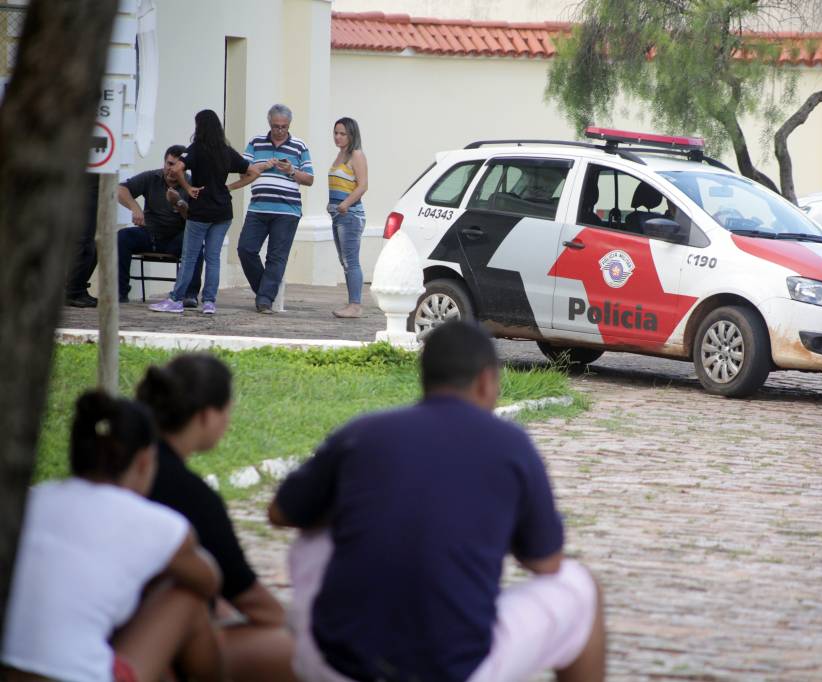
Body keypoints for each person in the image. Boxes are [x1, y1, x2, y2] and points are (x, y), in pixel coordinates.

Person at [269, 321, 606, 682]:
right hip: (453, 667)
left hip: (337, 662)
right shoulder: (511, 445)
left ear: (425, 378)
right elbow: (547, 562)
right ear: (486, 381)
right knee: (580, 587)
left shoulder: (363, 431)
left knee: (315, 537)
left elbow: (281, 512)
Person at [1, 391, 224, 682]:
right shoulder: (157, 524)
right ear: (144, 461)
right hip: (78, 676)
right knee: (185, 598)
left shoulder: (30, 500)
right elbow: (208, 581)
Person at [136, 354, 298, 682]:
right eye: (227, 410)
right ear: (207, 415)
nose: (228, 420)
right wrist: (299, 627)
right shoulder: (189, 494)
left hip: (132, 627)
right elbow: (250, 598)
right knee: (306, 652)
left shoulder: (129, 466)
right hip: (148, 644)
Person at [149, 109, 254, 315]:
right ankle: (209, 302)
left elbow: (176, 169)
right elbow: (253, 172)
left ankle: (176, 299)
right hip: (223, 212)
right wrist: (230, 187)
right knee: (213, 257)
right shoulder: (227, 151)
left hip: (200, 211)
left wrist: (188, 188)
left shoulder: (195, 149)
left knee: (189, 256)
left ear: (199, 127)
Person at [232, 103, 314, 314]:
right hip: (258, 208)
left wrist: (291, 170)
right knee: (245, 249)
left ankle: (264, 300)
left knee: (276, 257)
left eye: (283, 127)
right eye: (276, 126)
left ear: (289, 125)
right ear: (269, 123)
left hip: (287, 211)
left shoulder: (300, 146)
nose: (279, 130)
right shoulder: (256, 142)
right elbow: (243, 173)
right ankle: (265, 291)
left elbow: (309, 179)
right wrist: (262, 166)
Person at [117, 144, 203, 305]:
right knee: (122, 237)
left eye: (177, 166)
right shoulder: (152, 177)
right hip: (149, 234)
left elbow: (196, 219)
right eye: (169, 164)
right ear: (164, 162)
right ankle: (119, 292)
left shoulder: (191, 184)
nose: (172, 170)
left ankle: (189, 294)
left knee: (196, 243)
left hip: (176, 237)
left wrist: (179, 204)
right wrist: (135, 208)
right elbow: (120, 189)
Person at [327, 117, 367, 319]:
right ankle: (352, 302)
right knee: (345, 261)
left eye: (343, 133)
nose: (338, 137)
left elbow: (363, 185)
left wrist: (345, 204)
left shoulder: (356, 154)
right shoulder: (340, 155)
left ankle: (355, 305)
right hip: (338, 215)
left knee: (350, 261)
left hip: (350, 215)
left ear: (352, 135)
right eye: (336, 133)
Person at [65, 174, 99, 307]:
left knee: (91, 246)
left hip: (93, 189)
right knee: (83, 243)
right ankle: (73, 292)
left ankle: (78, 289)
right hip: (85, 189)